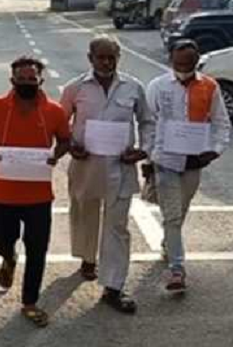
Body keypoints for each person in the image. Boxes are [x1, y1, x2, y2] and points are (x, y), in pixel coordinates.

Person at [0, 56, 71, 328]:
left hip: (39, 196)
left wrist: (56, 155)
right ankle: (8, 258)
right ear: (12, 80)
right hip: (3, 193)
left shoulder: (54, 111)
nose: (27, 83)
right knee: (1, 239)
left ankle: (30, 302)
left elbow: (65, 140)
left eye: (32, 79)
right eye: (22, 79)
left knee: (37, 249)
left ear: (41, 80)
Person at [60, 36, 151, 314]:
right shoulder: (75, 88)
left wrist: (143, 150)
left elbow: (147, 121)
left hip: (120, 167)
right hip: (86, 166)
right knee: (85, 214)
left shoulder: (133, 87)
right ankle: (88, 258)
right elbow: (59, 123)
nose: (107, 62)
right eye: (101, 57)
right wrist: (70, 145)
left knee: (117, 227)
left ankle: (113, 287)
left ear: (118, 58)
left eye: (112, 57)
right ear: (90, 58)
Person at [146, 39, 231, 292]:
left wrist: (215, 150)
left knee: (180, 211)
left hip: (194, 162)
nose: (183, 68)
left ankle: (168, 243)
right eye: (179, 63)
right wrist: (148, 157)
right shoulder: (157, 86)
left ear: (197, 60)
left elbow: (221, 122)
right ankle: (177, 269)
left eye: (189, 63)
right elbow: (148, 123)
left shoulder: (210, 86)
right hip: (165, 160)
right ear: (170, 59)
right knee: (172, 215)